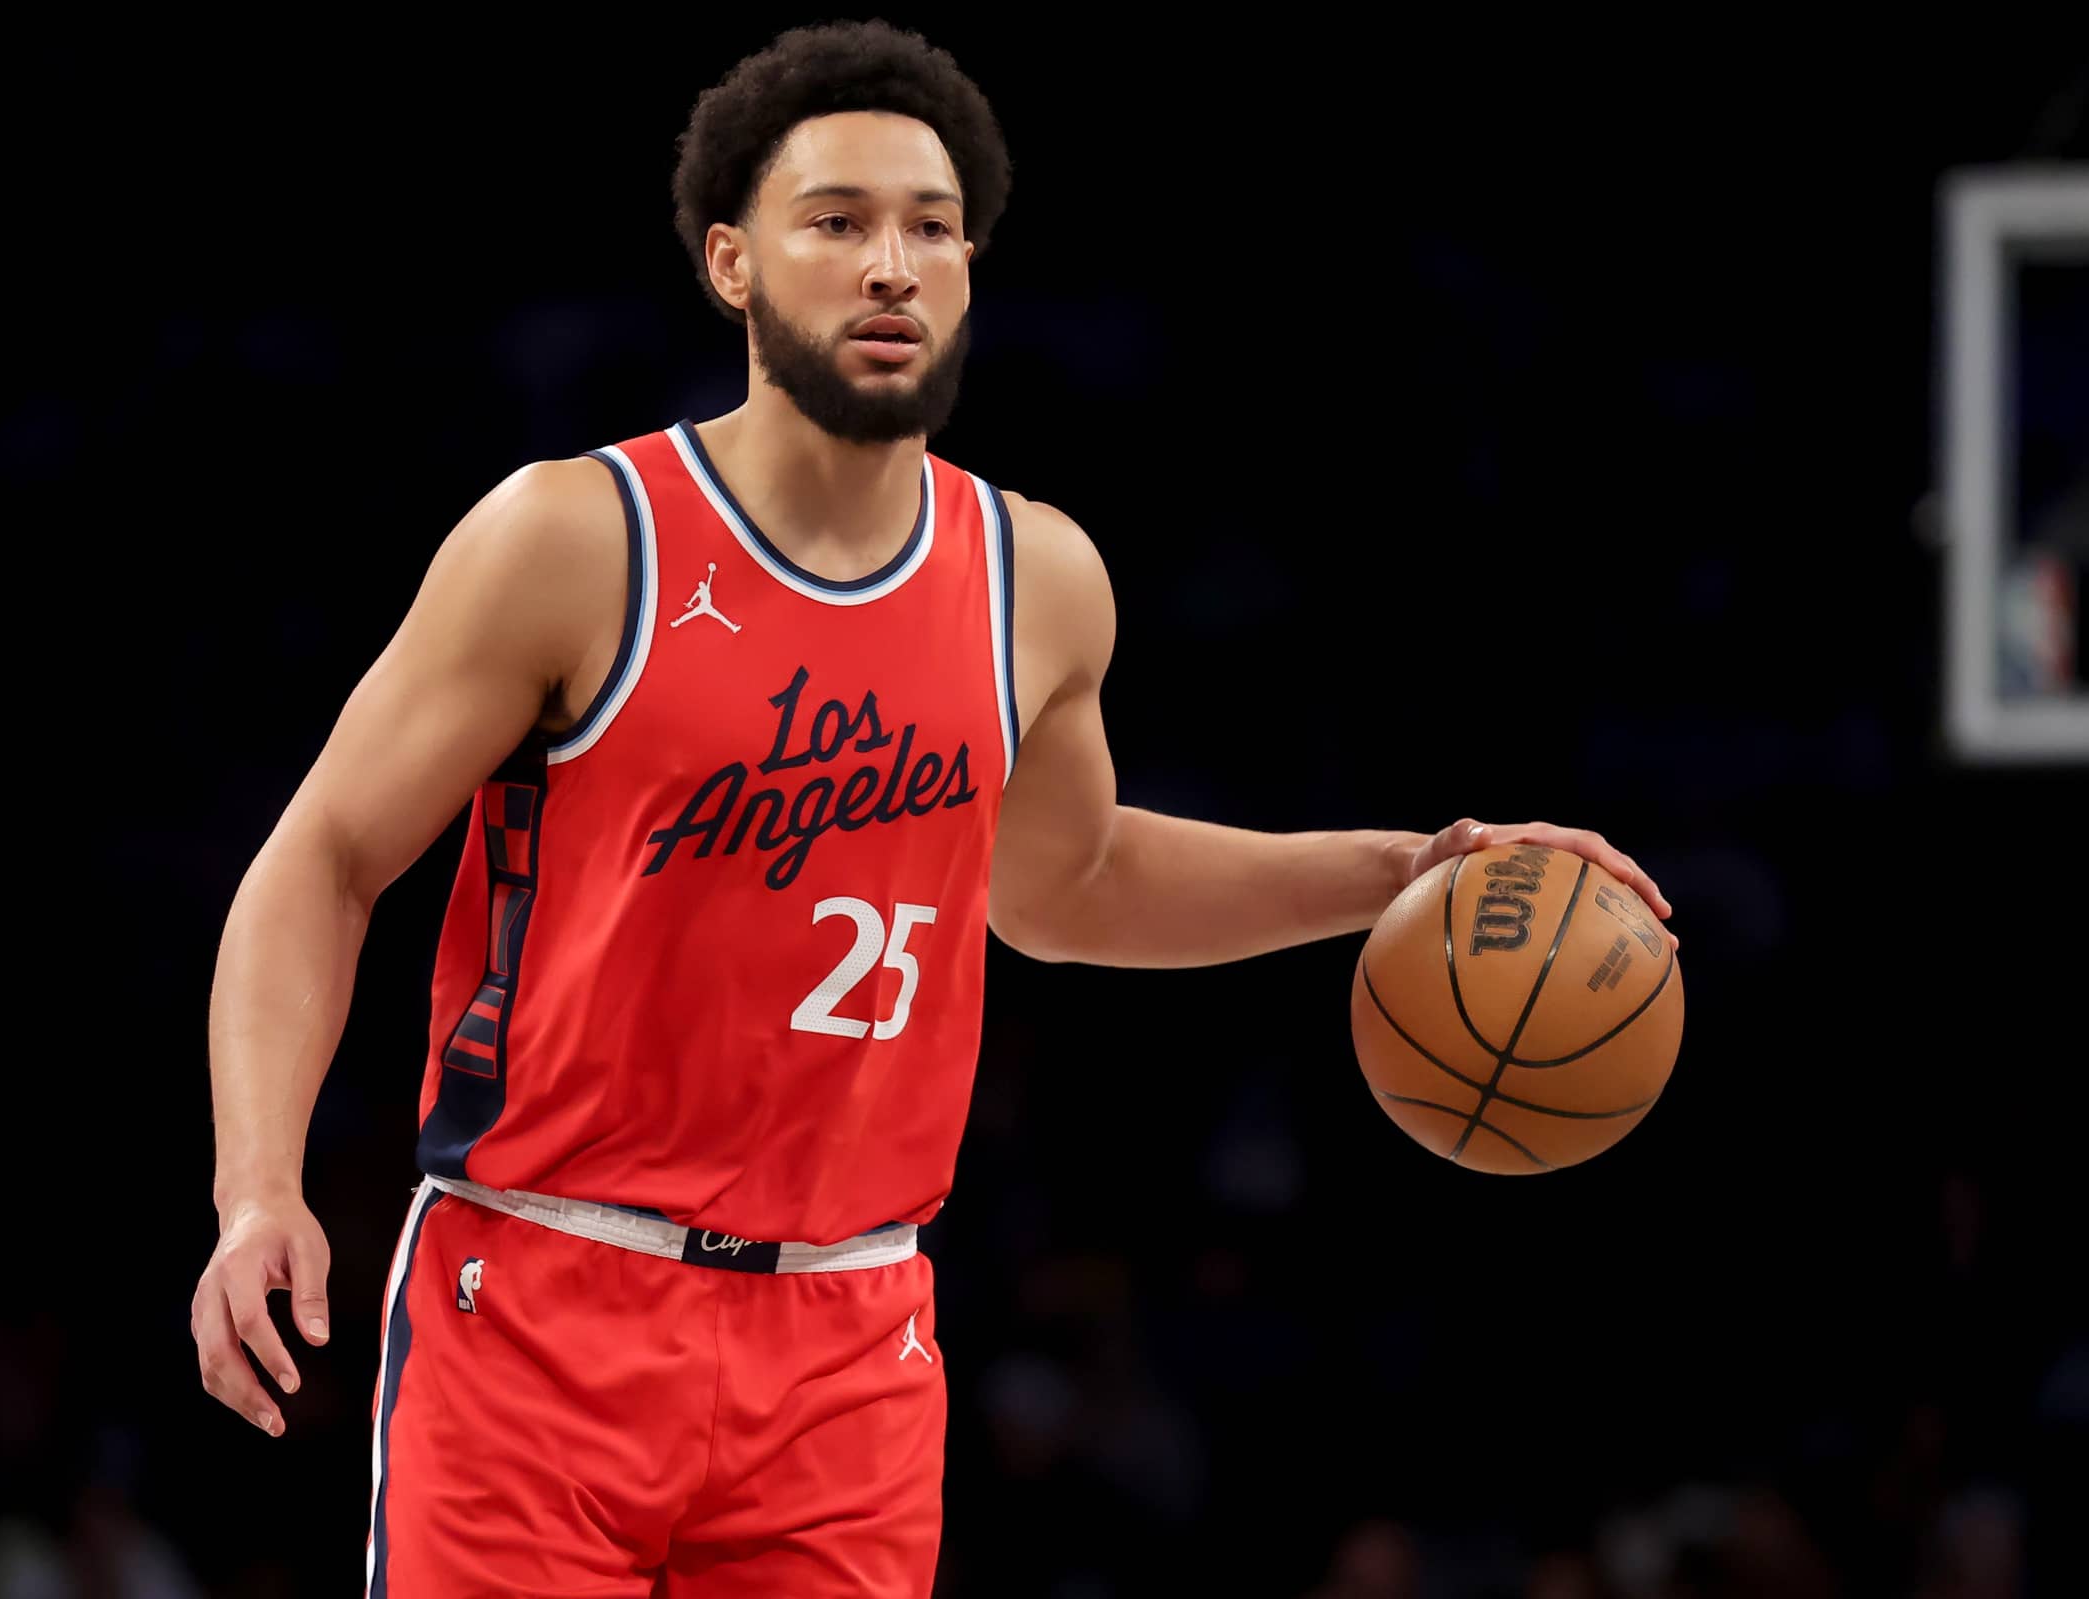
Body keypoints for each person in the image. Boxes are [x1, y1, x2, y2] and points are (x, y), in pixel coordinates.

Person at [189, 20, 1677, 1597]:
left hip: (850, 1336)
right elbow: (327, 856)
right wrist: (255, 1186)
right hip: (544, 1294)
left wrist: (1411, 874)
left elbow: (1069, 884)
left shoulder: (1036, 578)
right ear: (731, 264)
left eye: (929, 226)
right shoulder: (575, 536)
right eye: (835, 221)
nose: (889, 263)